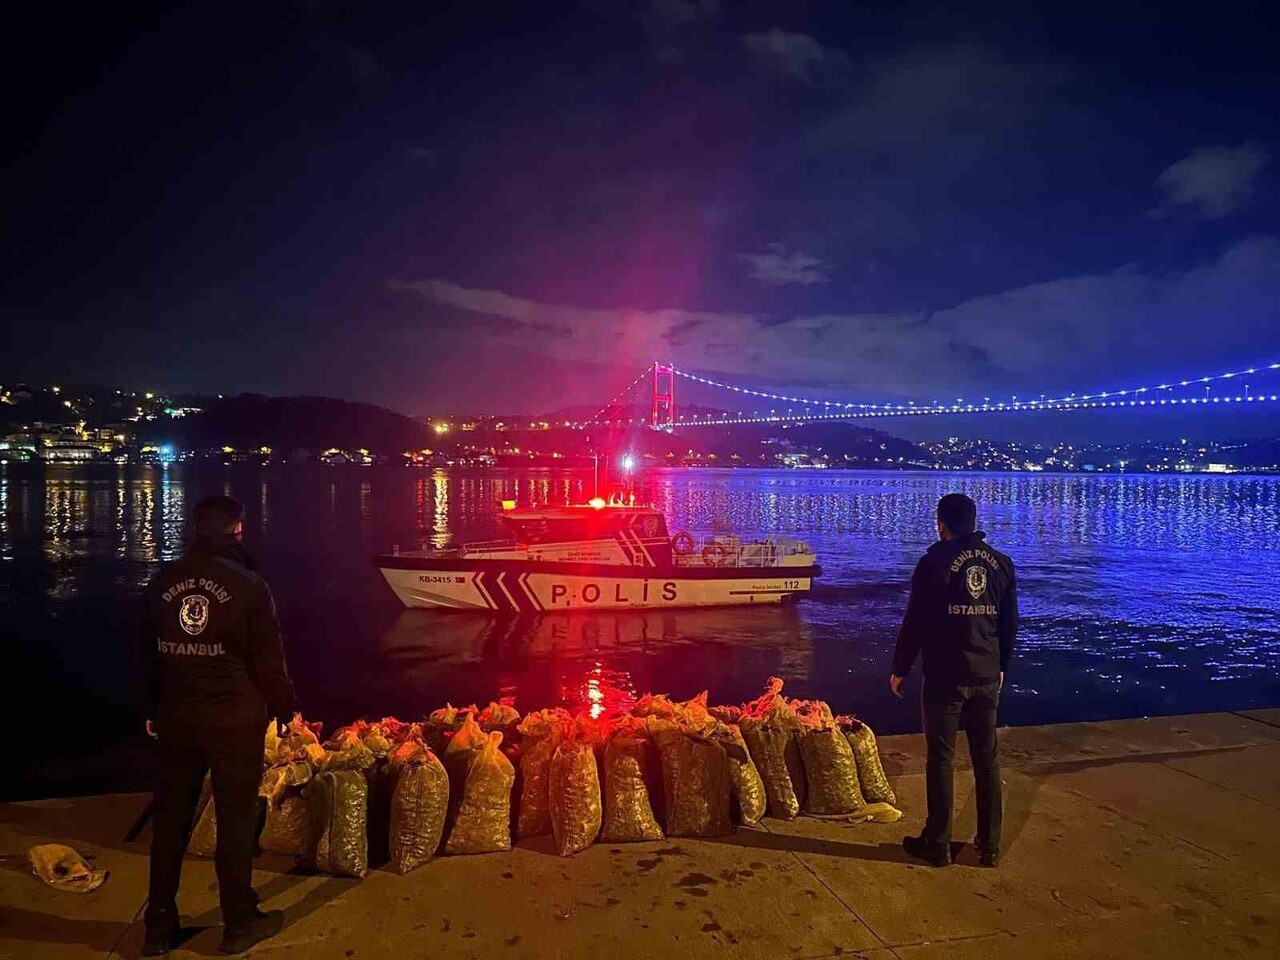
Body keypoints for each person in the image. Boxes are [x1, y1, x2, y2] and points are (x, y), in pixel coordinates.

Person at [140, 495, 297, 956]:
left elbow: (146, 655)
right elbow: (269, 661)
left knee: (169, 820)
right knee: (234, 818)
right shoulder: (249, 586)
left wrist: (150, 707)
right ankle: (239, 921)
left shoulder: (160, 582)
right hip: (233, 719)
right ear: (237, 530)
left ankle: (159, 925)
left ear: (194, 528)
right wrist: (286, 709)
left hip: (177, 716)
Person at [890, 492, 1017, 868]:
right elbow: (1009, 625)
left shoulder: (934, 562)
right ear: (973, 522)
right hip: (986, 674)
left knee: (941, 759)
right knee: (987, 759)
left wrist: (901, 667)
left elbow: (916, 620)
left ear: (941, 523)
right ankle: (990, 846)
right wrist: (1002, 666)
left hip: (946, 675)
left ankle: (938, 842)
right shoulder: (1002, 564)